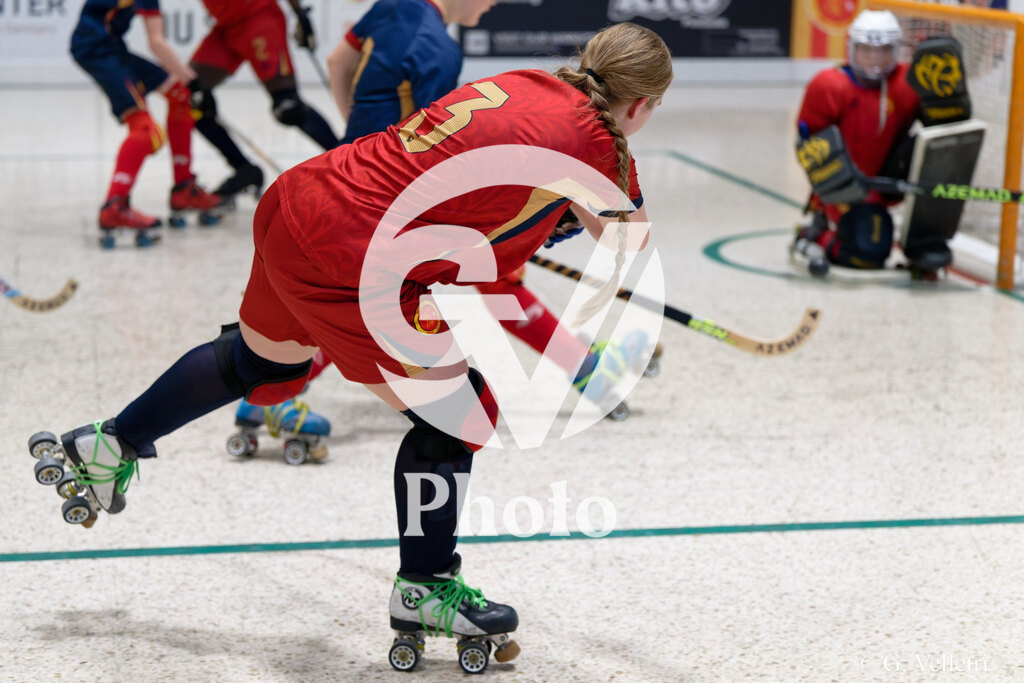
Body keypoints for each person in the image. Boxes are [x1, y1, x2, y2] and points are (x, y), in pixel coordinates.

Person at [29, 23, 671, 674]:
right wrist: (561, 226)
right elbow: (626, 247)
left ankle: (108, 444)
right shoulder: (602, 148)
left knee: (263, 361)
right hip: (354, 257)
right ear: (642, 106)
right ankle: (427, 584)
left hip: (304, 200)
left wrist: (534, 219)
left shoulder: (528, 82)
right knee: (462, 414)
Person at [322, 0, 648, 423]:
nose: (494, 3)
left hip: (355, 169)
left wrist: (358, 136)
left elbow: (337, 63)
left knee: (357, 292)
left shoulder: (393, 6)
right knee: (368, 298)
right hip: (400, 201)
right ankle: (588, 373)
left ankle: (585, 369)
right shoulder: (438, 49)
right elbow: (444, 147)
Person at [791, 9, 955, 277]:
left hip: (890, 178)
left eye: (884, 51)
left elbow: (941, 132)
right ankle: (814, 235)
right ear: (852, 48)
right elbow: (810, 148)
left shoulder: (910, 81)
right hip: (846, 186)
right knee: (867, 251)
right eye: (866, 50)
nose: (874, 59)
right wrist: (841, 183)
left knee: (932, 159)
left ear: (896, 50)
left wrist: (947, 100)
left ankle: (919, 244)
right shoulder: (828, 85)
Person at [70, 0, 221, 247]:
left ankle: (184, 188)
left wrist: (191, 86)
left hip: (113, 48)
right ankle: (114, 206)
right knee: (147, 131)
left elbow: (155, 38)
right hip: (96, 50)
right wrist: (196, 84)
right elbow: (157, 43)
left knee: (182, 98)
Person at [188, 0, 340, 203]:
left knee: (288, 107)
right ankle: (244, 171)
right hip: (226, 25)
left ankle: (347, 164)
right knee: (189, 100)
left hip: (258, 16)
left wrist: (299, 12)